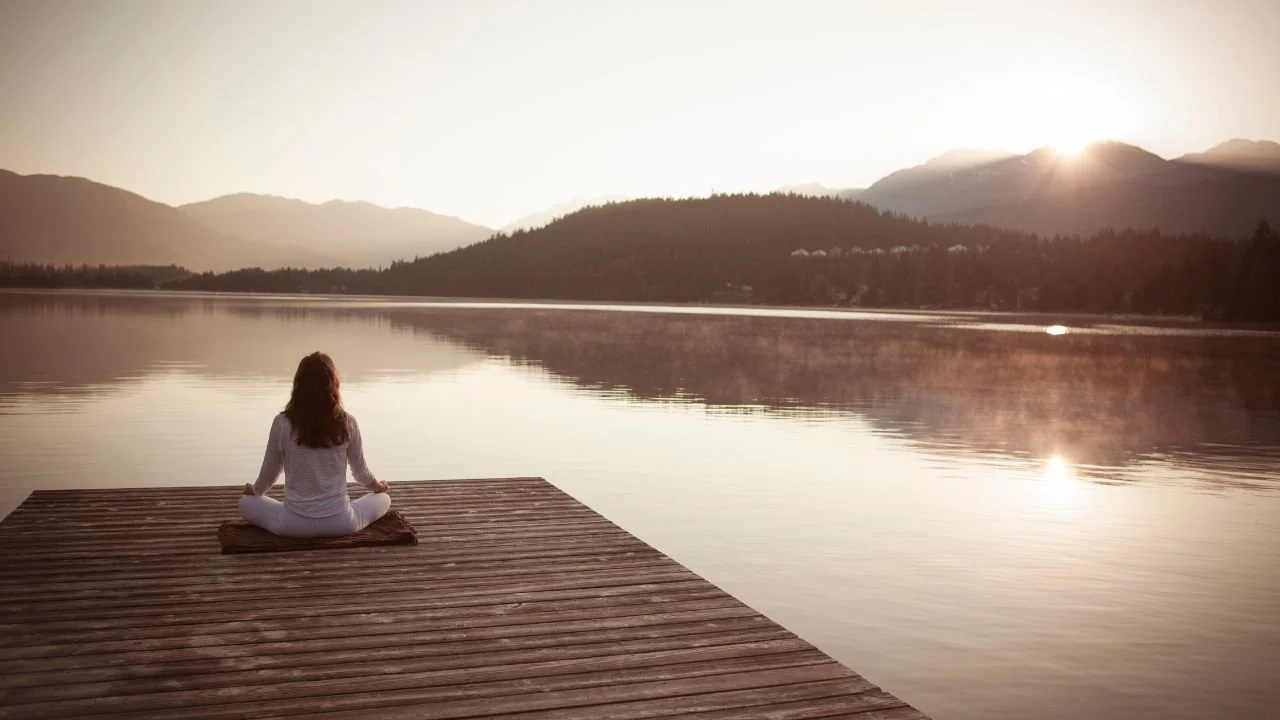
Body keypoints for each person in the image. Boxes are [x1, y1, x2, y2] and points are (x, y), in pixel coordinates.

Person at [238, 351, 391, 537]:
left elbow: (270, 473)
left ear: (298, 386)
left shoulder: (282, 423)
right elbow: (360, 472)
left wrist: (254, 492)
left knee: (245, 503)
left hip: (293, 525)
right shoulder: (348, 422)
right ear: (333, 385)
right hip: (341, 523)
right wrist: (378, 487)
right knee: (383, 498)